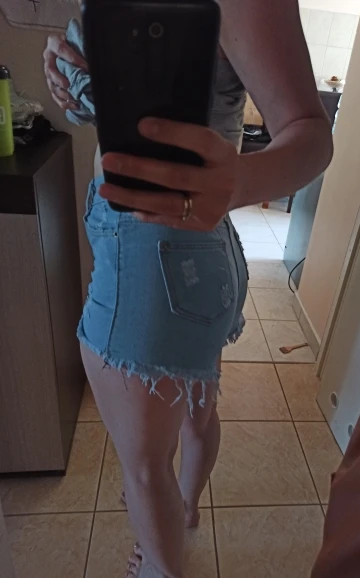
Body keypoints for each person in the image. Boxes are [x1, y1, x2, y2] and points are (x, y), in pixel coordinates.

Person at [43, 2, 333, 576]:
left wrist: (239, 180)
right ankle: (186, 509)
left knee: (144, 465)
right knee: (197, 410)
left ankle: (162, 564)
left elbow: (311, 134)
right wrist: (74, 87)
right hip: (194, 244)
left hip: (156, 248)